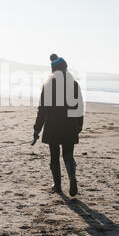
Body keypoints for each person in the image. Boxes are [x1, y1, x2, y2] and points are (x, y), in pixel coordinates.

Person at [33, 54, 84, 196]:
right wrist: (79, 126)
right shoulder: (74, 84)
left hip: (53, 126)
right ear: (65, 68)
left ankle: (57, 185)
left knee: (54, 157)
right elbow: (80, 107)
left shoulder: (48, 85)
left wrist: (37, 129)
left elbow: (42, 110)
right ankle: (72, 178)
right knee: (68, 155)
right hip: (70, 125)